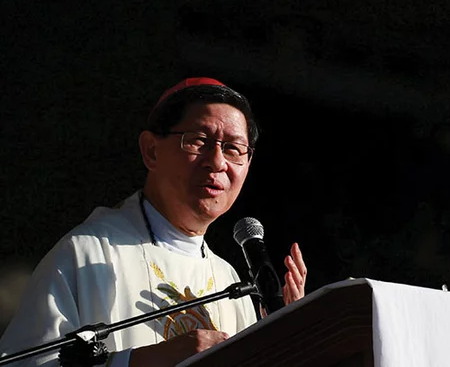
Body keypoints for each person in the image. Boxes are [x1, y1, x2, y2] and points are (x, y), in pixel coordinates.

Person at [0, 78, 309, 366]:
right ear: (151, 151)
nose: (217, 162)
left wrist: (289, 340)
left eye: (233, 149)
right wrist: (139, 361)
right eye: (199, 141)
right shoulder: (86, 254)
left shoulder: (233, 284)